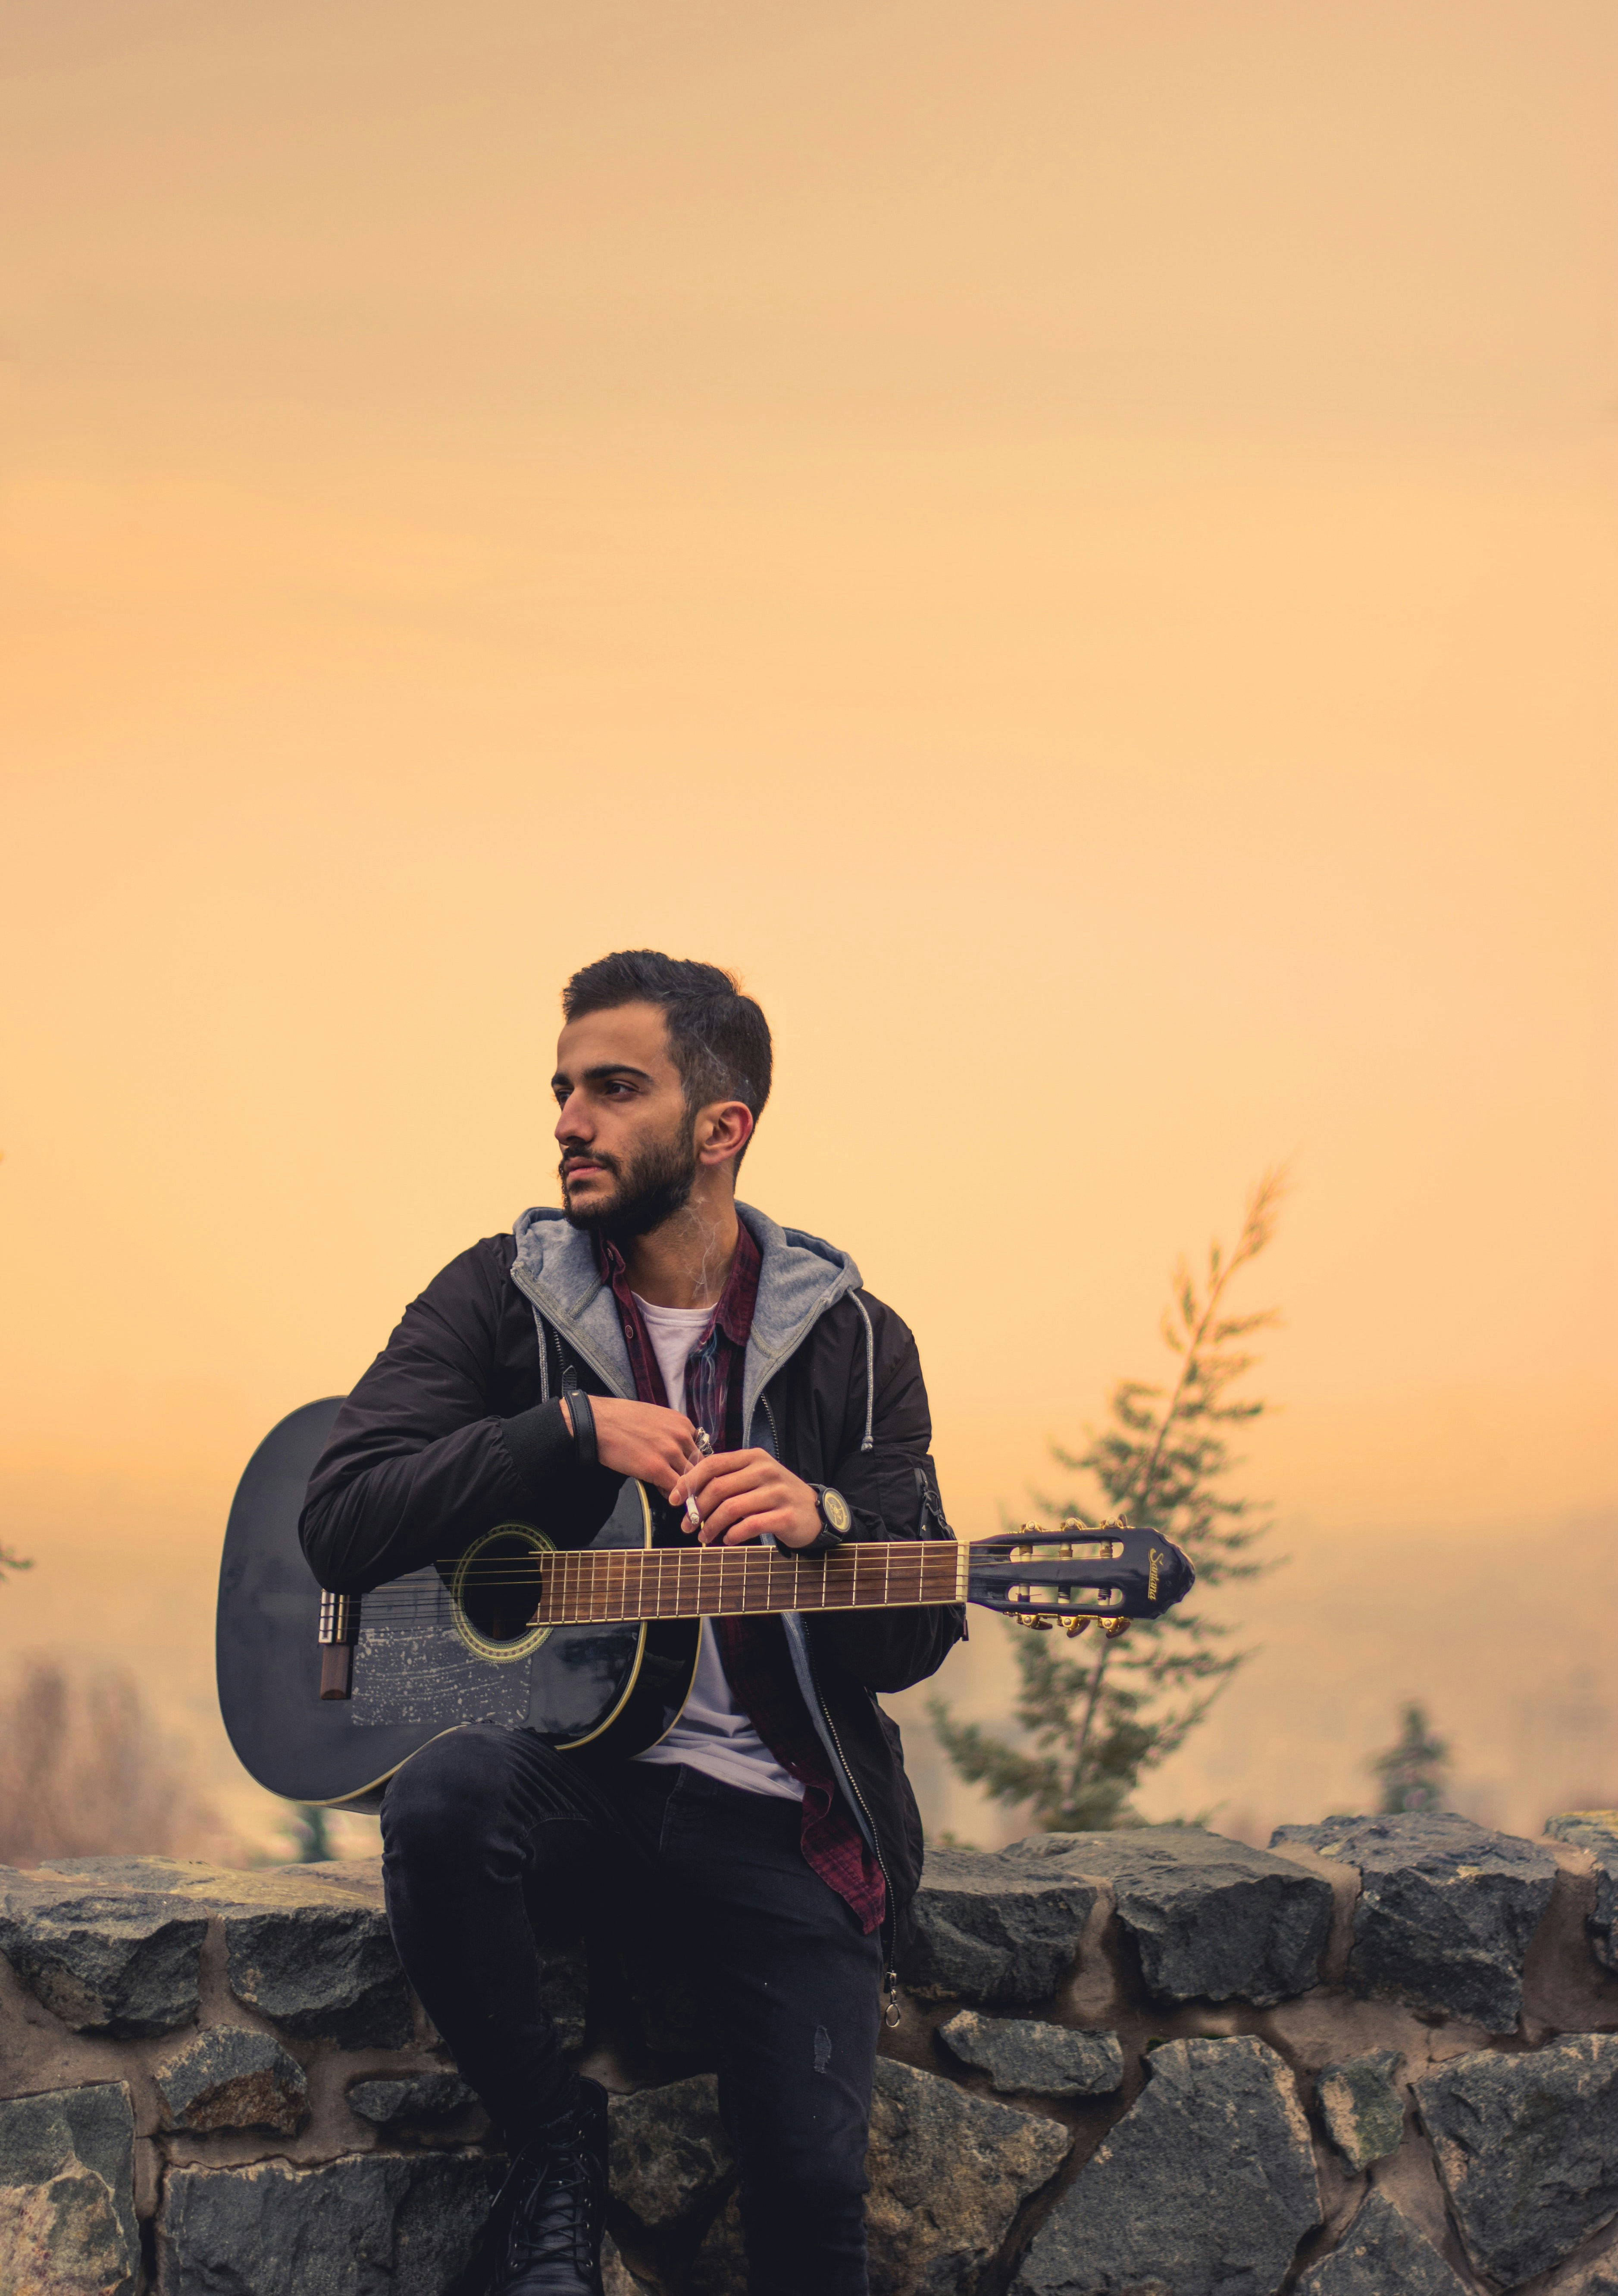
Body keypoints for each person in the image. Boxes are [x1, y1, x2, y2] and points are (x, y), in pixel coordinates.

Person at [299, 951, 964, 2296]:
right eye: (562, 1089)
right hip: (574, 1789)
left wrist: (827, 1527)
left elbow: (911, 1639)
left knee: (815, 2209)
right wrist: (562, 1434)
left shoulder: (858, 1342)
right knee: (440, 1803)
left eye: (613, 1088)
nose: (567, 1121)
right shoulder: (498, 1296)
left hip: (780, 1814)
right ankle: (554, 2145)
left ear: (723, 1129)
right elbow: (341, 1518)